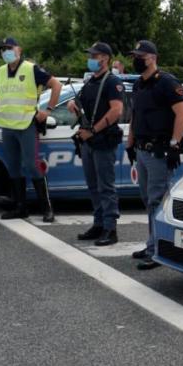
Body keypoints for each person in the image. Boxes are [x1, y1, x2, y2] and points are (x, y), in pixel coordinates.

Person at [125, 39, 183, 270]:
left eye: (139, 56)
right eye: (134, 56)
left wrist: (174, 144)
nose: (135, 60)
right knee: (147, 200)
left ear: (152, 57)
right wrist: (130, 142)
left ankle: (158, 250)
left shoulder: (167, 82)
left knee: (157, 200)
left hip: (159, 150)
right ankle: (152, 242)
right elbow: (135, 115)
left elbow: (182, 114)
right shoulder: (139, 84)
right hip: (142, 150)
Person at [0, 37, 62, 221]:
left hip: (26, 124)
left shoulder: (31, 68)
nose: (6, 51)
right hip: (7, 125)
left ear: (19, 50)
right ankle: (20, 208)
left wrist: (48, 110)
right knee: (13, 167)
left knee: (32, 165)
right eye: (3, 49)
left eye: (9, 48)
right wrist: (0, 105)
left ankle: (47, 209)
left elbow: (56, 85)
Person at [67, 42, 125, 246]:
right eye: (90, 55)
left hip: (102, 141)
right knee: (93, 186)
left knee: (106, 187)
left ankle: (110, 228)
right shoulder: (91, 82)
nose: (91, 59)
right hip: (88, 142)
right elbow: (85, 107)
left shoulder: (112, 82)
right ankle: (99, 224)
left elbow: (116, 110)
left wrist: (93, 130)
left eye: (95, 55)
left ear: (105, 58)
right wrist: (73, 105)